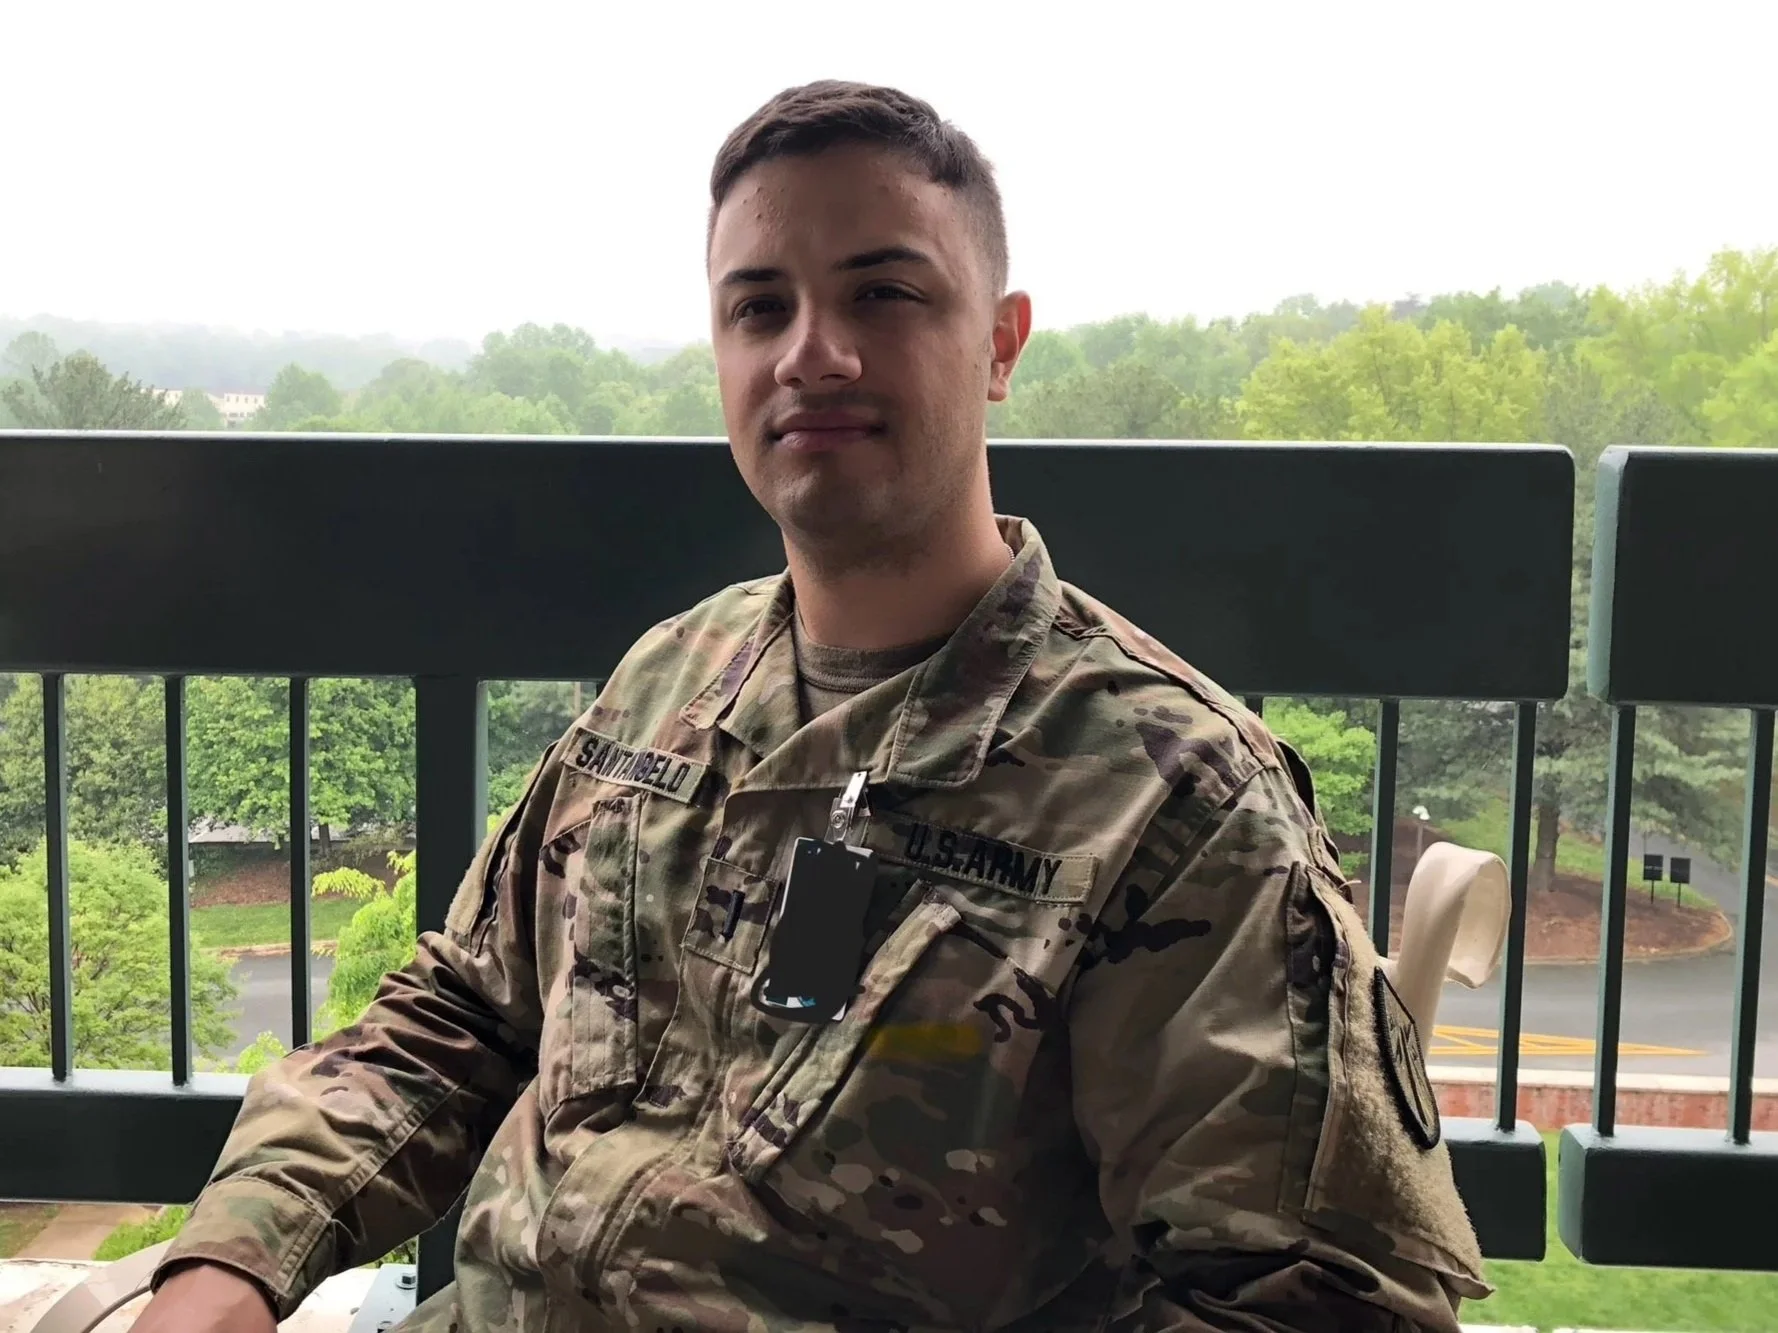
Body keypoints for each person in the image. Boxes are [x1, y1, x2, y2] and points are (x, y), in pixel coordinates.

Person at [137, 81, 1489, 1332]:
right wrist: (234, 1258)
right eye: (759, 306)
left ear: (998, 343)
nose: (812, 354)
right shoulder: (667, 682)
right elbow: (465, 1016)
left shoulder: (1169, 796)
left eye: (884, 294)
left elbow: (1314, 1297)